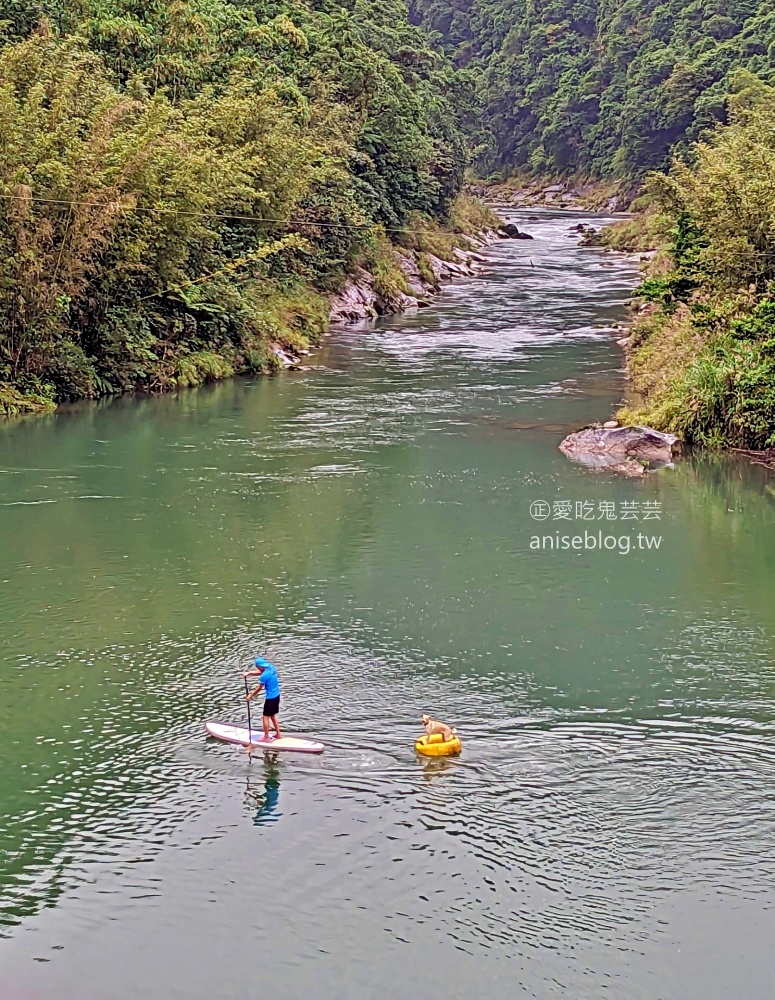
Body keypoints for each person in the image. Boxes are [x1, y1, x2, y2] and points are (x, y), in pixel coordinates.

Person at [243, 656, 282, 745]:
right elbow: (260, 672)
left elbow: (259, 688)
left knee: (265, 716)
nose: (257, 669)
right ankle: (278, 734)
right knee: (272, 715)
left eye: (257, 667)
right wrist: (249, 673)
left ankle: (266, 737)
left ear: (259, 666)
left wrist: (250, 695)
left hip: (270, 698)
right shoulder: (271, 667)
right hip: (277, 695)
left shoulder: (264, 676)